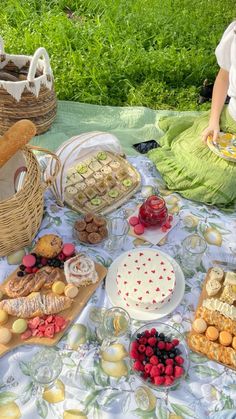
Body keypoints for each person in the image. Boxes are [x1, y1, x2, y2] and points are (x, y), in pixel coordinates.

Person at [148, 21, 236, 210]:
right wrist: (213, 122)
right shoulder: (235, 35)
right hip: (228, 123)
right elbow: (223, 78)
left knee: (223, 184)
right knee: (187, 154)